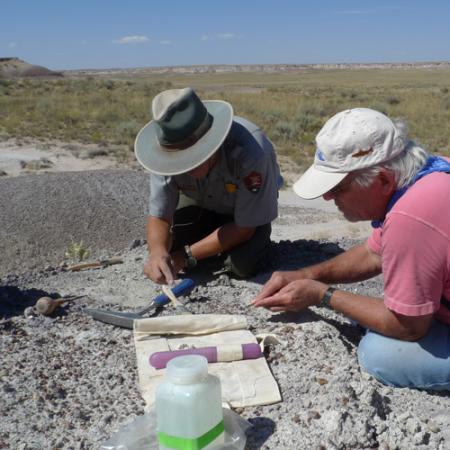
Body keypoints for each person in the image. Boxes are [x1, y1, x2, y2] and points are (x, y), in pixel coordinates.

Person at [252, 108, 450, 390]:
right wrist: (305, 275)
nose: (327, 196)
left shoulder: (411, 218)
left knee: (380, 354)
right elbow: (373, 252)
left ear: (383, 179)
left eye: (339, 187)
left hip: (413, 323)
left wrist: (322, 295)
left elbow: (408, 326)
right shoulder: (428, 174)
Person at [135, 87, 282, 285]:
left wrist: (186, 256)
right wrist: (157, 252)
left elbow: (244, 228)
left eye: (195, 158)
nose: (188, 168)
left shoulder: (252, 151)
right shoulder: (165, 153)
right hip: (202, 202)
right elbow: (160, 214)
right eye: (180, 161)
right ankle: (210, 245)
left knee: (243, 265)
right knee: (168, 250)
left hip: (246, 213)